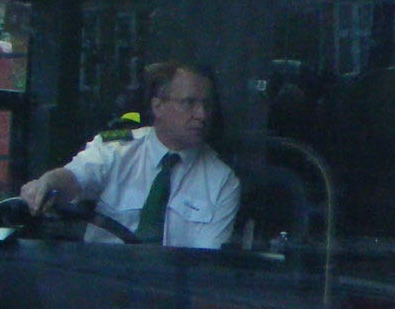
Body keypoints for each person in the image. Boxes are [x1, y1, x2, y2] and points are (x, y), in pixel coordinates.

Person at [19, 62, 241, 248]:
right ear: (158, 106)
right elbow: (74, 178)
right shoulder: (116, 148)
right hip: (101, 278)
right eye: (189, 103)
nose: (201, 115)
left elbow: (205, 265)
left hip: (171, 285)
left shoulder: (222, 181)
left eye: (206, 105)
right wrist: (47, 184)